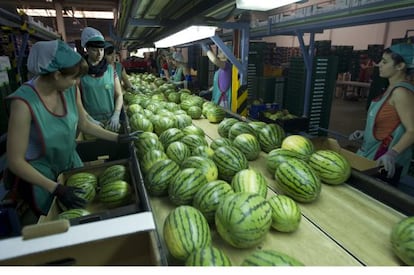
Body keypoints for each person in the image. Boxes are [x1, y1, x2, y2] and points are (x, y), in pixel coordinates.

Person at [4, 40, 139, 225]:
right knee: (54, 223)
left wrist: (118, 138)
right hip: (41, 178)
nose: (77, 82)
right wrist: (55, 188)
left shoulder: (68, 89)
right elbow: (15, 162)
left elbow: (84, 124)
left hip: (69, 164)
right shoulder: (23, 103)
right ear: (57, 74)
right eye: (74, 78)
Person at [349, 43, 414, 179]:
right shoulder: (390, 89)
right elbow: (389, 121)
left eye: (385, 62)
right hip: (370, 155)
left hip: (382, 161)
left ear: (400, 66)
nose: (379, 65)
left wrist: (392, 154)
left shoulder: (401, 93)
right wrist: (366, 133)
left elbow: (412, 130)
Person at [79, 27, 123, 132]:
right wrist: (88, 119)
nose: (99, 54)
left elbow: (119, 95)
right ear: (87, 49)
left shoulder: (110, 70)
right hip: (90, 123)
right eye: (95, 50)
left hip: (111, 122)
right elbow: (77, 101)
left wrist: (116, 114)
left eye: (102, 50)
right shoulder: (79, 72)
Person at [199, 42, 232, 110]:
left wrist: (206, 49)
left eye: (222, 50)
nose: (219, 50)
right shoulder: (220, 69)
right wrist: (208, 90)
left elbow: (214, 60)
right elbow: (217, 84)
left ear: (227, 54)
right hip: (217, 98)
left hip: (223, 101)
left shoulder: (227, 66)